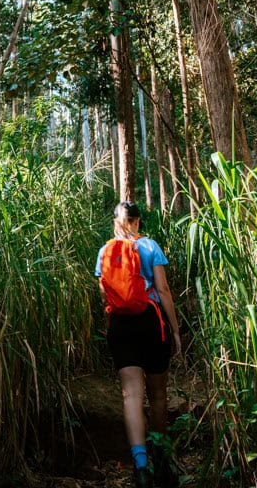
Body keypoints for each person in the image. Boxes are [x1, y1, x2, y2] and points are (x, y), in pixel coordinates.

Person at [95, 201, 181, 488]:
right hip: (150, 321)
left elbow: (104, 294)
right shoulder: (150, 246)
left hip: (121, 325)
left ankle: (141, 467)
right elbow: (163, 289)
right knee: (157, 395)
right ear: (137, 221)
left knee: (131, 396)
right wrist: (175, 330)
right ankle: (163, 458)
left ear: (116, 222)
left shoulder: (105, 251)